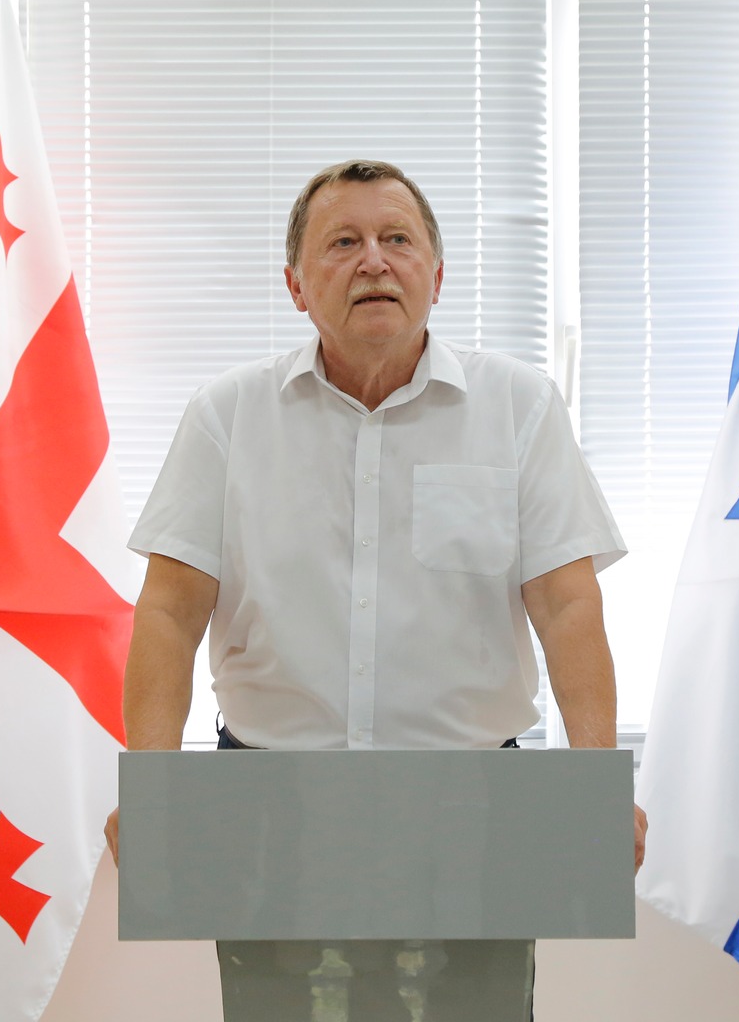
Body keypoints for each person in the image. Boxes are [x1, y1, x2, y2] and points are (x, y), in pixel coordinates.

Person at [105, 158, 646, 869]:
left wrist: (595, 779)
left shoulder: (519, 405)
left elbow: (567, 604)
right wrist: (153, 785)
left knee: (484, 955)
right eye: (343, 242)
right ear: (296, 286)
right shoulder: (226, 415)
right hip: (264, 804)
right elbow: (170, 613)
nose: (374, 262)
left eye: (397, 240)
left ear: (437, 277)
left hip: (478, 803)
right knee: (265, 956)